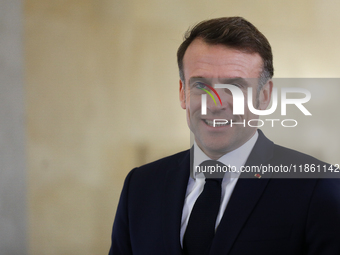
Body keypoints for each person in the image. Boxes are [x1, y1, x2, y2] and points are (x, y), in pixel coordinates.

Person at [109, 17, 340, 255]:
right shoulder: (141, 186)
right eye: (200, 85)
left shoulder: (318, 186)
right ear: (182, 92)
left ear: (265, 96)